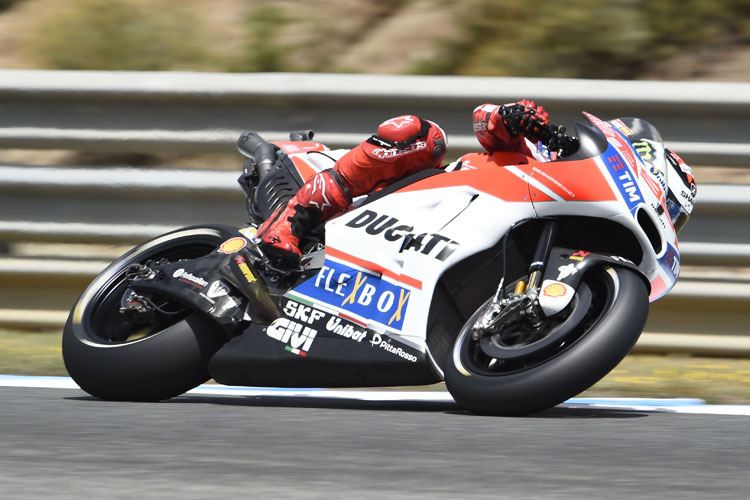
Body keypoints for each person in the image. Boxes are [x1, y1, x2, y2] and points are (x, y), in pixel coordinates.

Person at [255, 100, 554, 267]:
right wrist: (512, 116)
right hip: (429, 198)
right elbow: (484, 119)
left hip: (450, 247)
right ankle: (288, 223)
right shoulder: (539, 153)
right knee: (419, 134)